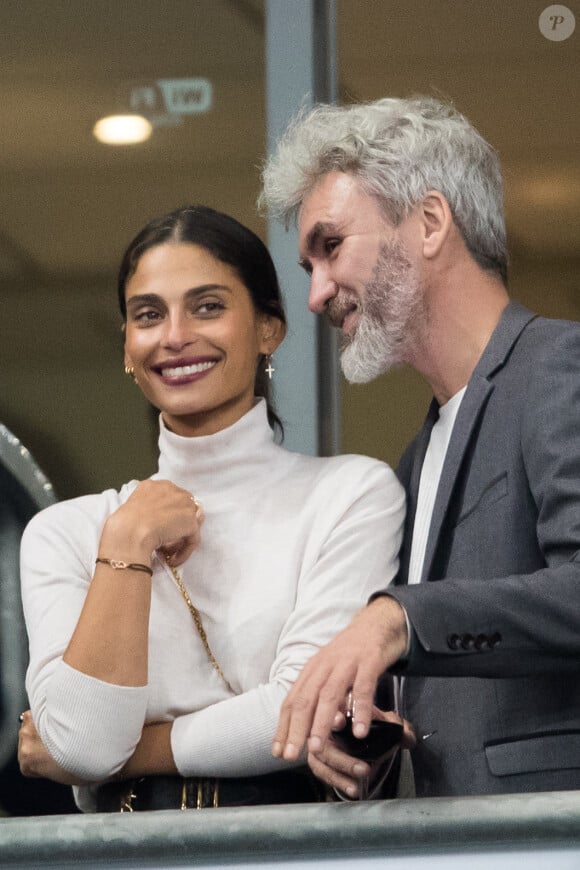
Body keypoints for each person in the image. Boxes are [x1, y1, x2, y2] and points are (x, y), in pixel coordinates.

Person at [17, 205, 406, 812]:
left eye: (208, 306)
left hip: (287, 848)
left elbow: (298, 708)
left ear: (268, 330)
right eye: (148, 315)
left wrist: (138, 750)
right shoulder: (67, 532)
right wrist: (127, 541)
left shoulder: (350, 494)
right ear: (127, 346)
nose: (174, 336)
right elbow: (89, 746)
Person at [259, 96, 580, 799]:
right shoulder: (420, 452)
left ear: (430, 223)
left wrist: (399, 616)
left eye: (330, 246)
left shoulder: (560, 366)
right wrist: (374, 750)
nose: (315, 294)